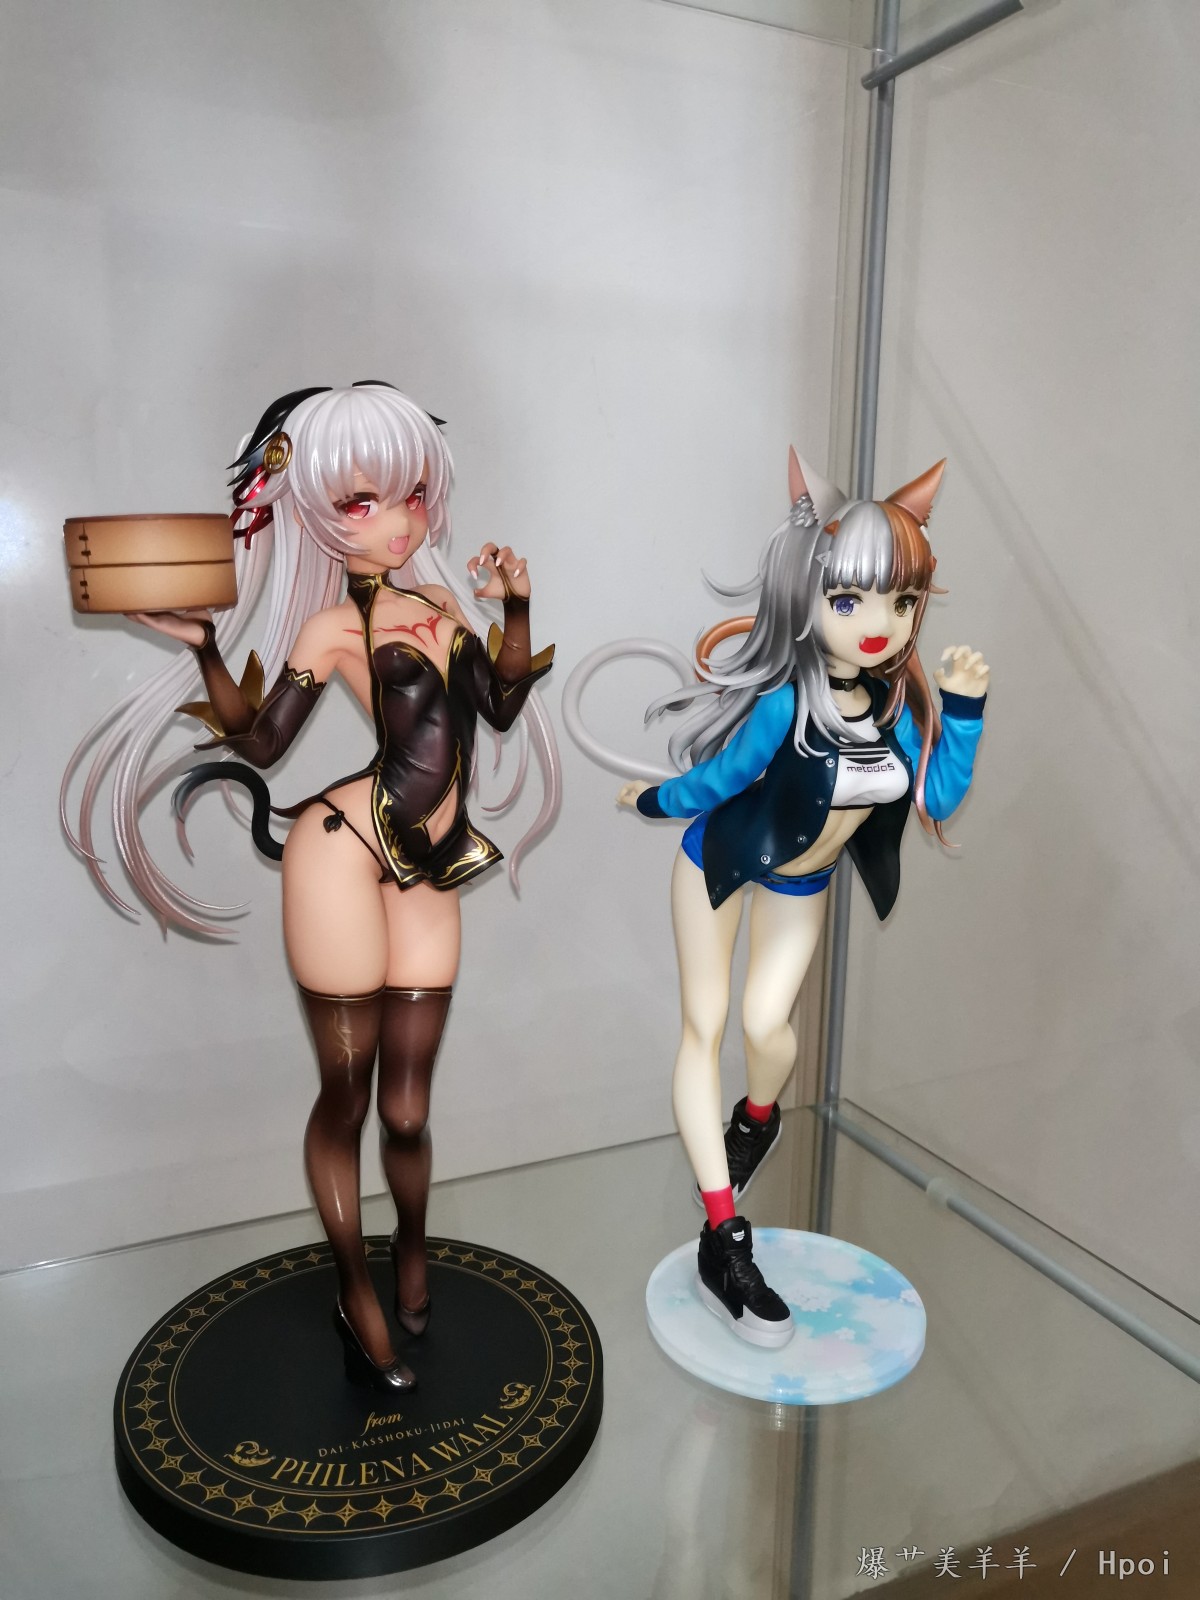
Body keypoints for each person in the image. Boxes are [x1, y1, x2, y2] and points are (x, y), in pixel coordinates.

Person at [62, 382, 558, 1389]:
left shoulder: (442, 607)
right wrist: (206, 648)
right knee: (349, 1093)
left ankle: (410, 1249)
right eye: (363, 502)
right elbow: (262, 744)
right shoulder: (335, 628)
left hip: (429, 863)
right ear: (319, 514)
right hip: (343, 849)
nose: (397, 521)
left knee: (407, 1110)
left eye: (410, 494)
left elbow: (501, 706)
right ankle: (354, 1289)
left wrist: (515, 606)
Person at [607, 449, 988, 1346]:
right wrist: (654, 800)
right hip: (719, 862)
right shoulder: (786, 703)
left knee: (768, 1030)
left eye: (901, 602)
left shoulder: (895, 711)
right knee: (705, 1027)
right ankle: (723, 1236)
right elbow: (724, 780)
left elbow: (935, 799)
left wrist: (965, 710)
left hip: (800, 883)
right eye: (849, 601)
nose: (878, 625)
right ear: (807, 594)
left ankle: (757, 1117)